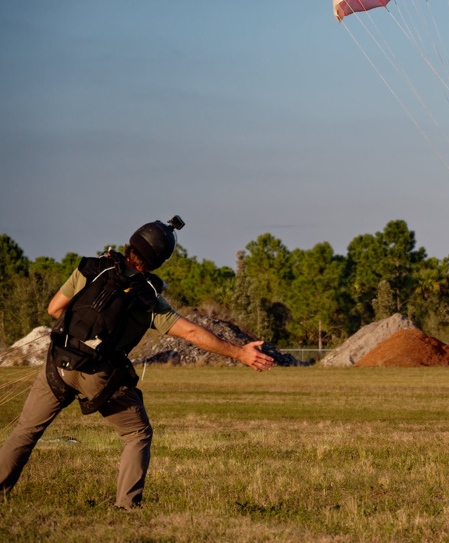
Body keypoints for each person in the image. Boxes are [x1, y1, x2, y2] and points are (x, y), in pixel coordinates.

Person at [0, 216, 275, 510]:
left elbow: (54, 308)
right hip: (100, 376)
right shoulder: (148, 298)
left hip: (58, 363)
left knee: (26, 432)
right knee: (137, 434)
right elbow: (193, 333)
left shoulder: (92, 268)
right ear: (159, 262)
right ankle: (127, 506)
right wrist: (240, 353)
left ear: (132, 242)